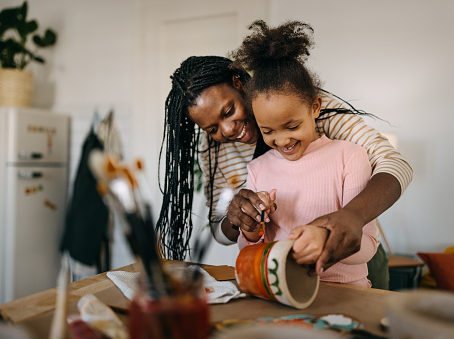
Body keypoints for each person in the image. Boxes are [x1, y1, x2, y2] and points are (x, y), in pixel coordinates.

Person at [156, 26, 412, 289]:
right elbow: (221, 231)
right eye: (212, 129)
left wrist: (353, 216)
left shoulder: (303, 105)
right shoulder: (217, 151)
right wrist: (237, 218)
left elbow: (395, 164)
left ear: (238, 83)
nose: (228, 129)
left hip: (350, 251)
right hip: (286, 276)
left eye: (229, 110)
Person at [234, 20, 378, 287]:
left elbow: (368, 245)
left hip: (345, 293)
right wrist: (251, 230)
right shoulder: (258, 169)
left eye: (292, 126)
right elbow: (250, 249)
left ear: (315, 107)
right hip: (285, 292)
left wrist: (327, 239)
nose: (282, 140)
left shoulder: (350, 157)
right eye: (268, 131)